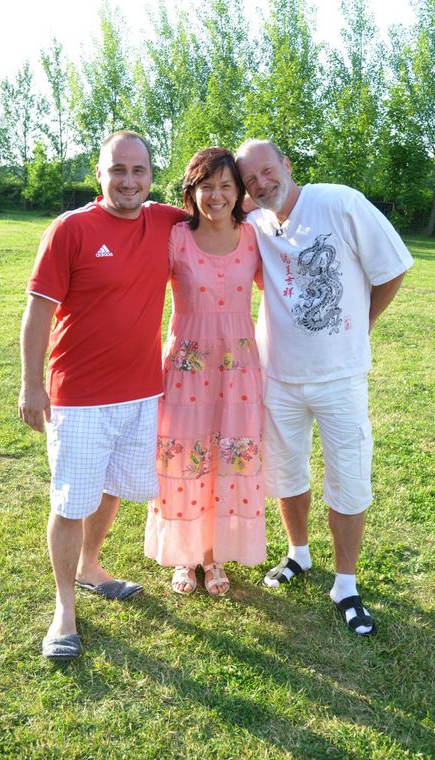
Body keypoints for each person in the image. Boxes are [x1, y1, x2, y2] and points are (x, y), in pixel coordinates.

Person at [18, 131, 186, 659]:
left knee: (111, 488)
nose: (128, 181)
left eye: (138, 170)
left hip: (141, 393)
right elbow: (38, 310)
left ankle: (90, 566)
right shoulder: (71, 228)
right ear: (99, 173)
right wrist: (31, 384)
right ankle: (63, 609)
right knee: (72, 502)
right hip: (79, 396)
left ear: (152, 176)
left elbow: (223, 207)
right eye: (118, 169)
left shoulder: (165, 222)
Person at [235, 138, 413, 635]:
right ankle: (299, 554)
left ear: (287, 165)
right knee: (285, 472)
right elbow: (218, 205)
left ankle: (346, 584)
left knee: (349, 479)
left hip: (340, 377)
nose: (262, 183)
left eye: (268, 171)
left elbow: (393, 267)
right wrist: (245, 196)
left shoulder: (339, 202)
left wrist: (365, 322)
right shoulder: (255, 222)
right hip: (278, 374)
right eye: (250, 179)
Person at [144, 147, 265, 595]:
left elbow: (282, 286)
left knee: (227, 456)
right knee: (184, 457)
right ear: (191, 192)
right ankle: (185, 554)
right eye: (206, 186)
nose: (216, 196)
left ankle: (213, 556)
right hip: (186, 370)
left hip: (238, 370)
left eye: (226, 186)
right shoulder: (176, 237)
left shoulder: (253, 237)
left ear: (239, 192)